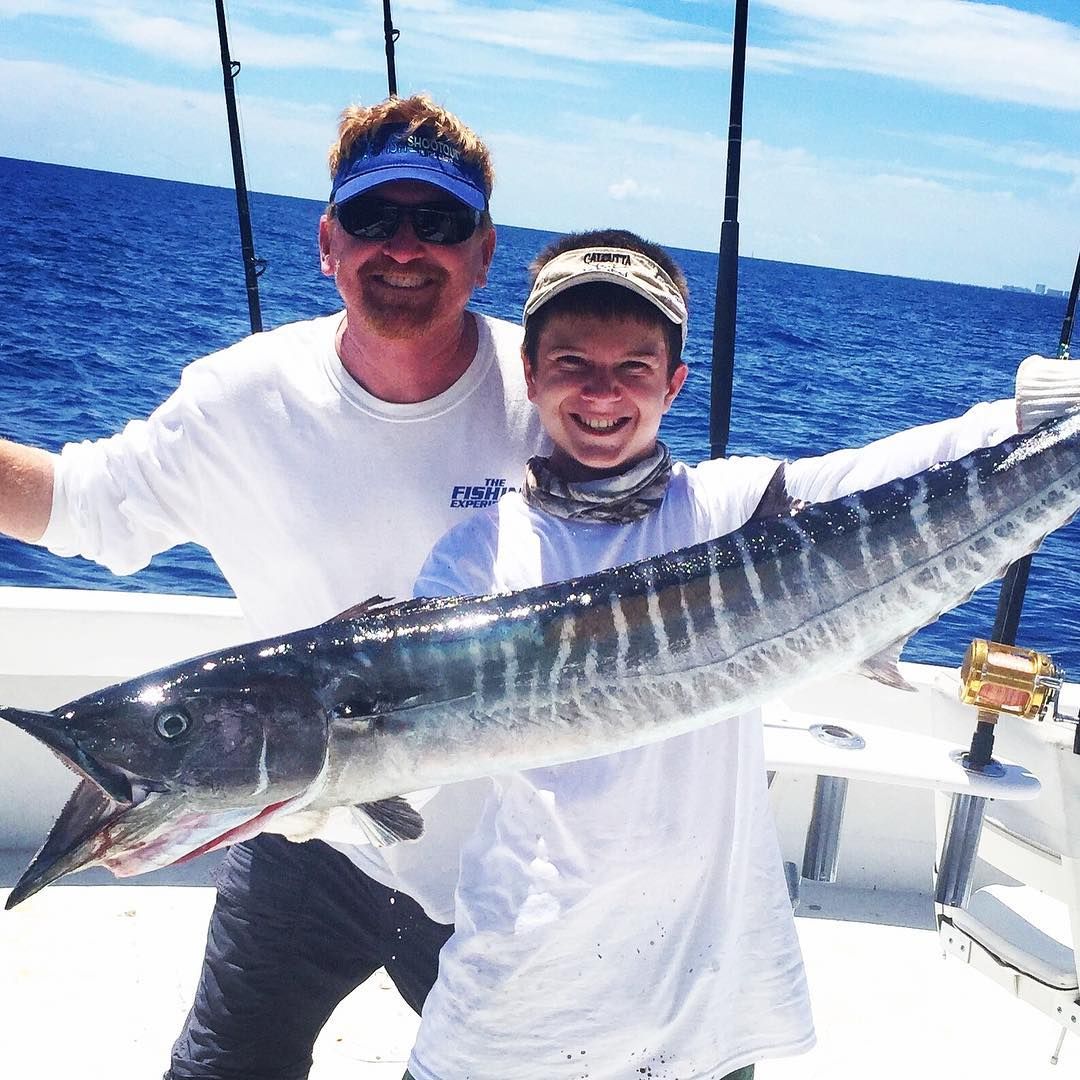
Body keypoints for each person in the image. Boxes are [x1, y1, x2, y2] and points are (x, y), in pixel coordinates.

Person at [405, 228, 1080, 1080]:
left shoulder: (727, 509)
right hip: (517, 1005)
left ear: (675, 383)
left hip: (707, 1004)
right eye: (573, 363)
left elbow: (881, 478)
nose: (603, 392)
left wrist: (1034, 418)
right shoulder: (474, 561)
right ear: (531, 377)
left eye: (635, 368)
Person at [0, 94, 547, 1079]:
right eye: (376, 218)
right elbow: (80, 504)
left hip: (505, 864)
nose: (405, 245)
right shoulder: (240, 398)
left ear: (485, 250)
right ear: (329, 244)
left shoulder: (558, 400)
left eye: (441, 221)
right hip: (306, 834)